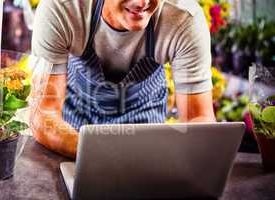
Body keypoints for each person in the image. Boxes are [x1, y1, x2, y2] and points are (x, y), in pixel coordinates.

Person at [30, 0, 216, 159]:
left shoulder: (184, 18)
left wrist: (160, 160)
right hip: (71, 125)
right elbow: (43, 114)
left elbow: (198, 119)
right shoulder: (61, 7)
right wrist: (97, 154)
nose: (141, 3)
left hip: (145, 129)